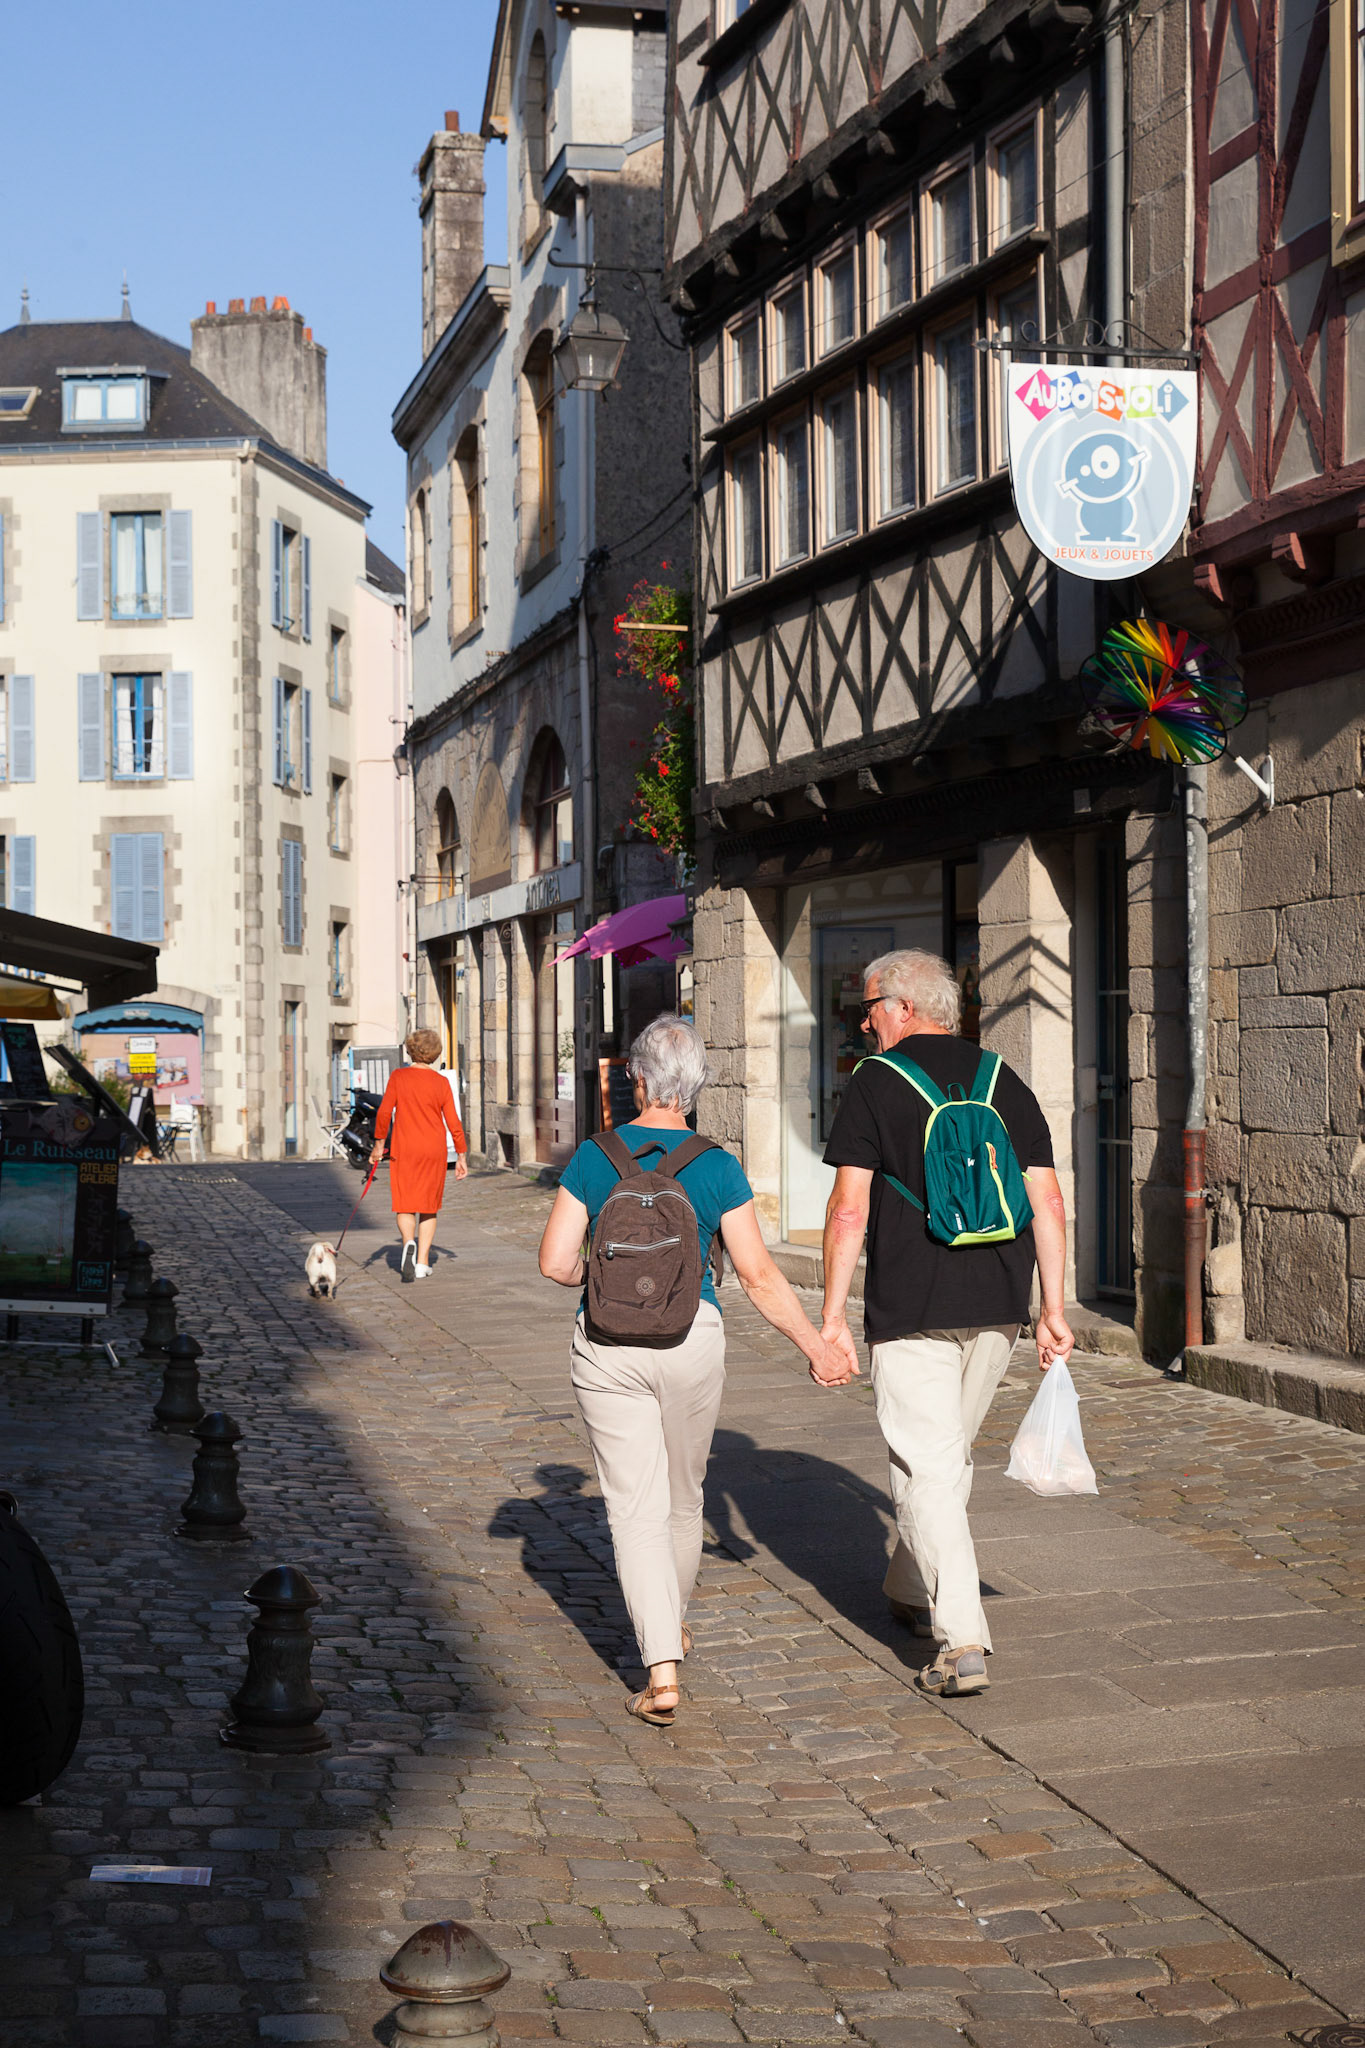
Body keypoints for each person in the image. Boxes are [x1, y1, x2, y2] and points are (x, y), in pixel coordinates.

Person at [539, 1013, 842, 1728]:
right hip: (692, 1339)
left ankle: (660, 1671)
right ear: (697, 1085)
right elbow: (759, 1276)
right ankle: (669, 1626)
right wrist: (816, 1345)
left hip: (607, 1345)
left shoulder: (594, 1157)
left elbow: (554, 1262)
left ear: (637, 1079)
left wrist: (602, 1279)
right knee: (682, 1499)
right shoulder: (717, 1165)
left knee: (632, 1510)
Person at [816, 949, 1074, 1699]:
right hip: (998, 1300)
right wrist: (1052, 1309)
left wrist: (832, 1315)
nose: (864, 1022)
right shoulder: (1002, 1078)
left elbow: (848, 1210)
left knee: (928, 1469)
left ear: (902, 1007)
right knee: (944, 1461)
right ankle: (908, 1585)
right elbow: (1047, 1201)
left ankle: (960, 1641)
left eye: (869, 1006)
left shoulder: (874, 1081)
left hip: (911, 1303)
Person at [370, 1028, 469, 1282]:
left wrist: (379, 1145)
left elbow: (384, 1113)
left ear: (410, 1050)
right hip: (433, 1150)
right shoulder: (441, 1082)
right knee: (428, 1206)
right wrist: (461, 1154)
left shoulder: (398, 1077)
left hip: (404, 1149)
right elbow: (453, 1121)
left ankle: (408, 1243)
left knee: (405, 1203)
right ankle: (423, 1262)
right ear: (435, 1053)